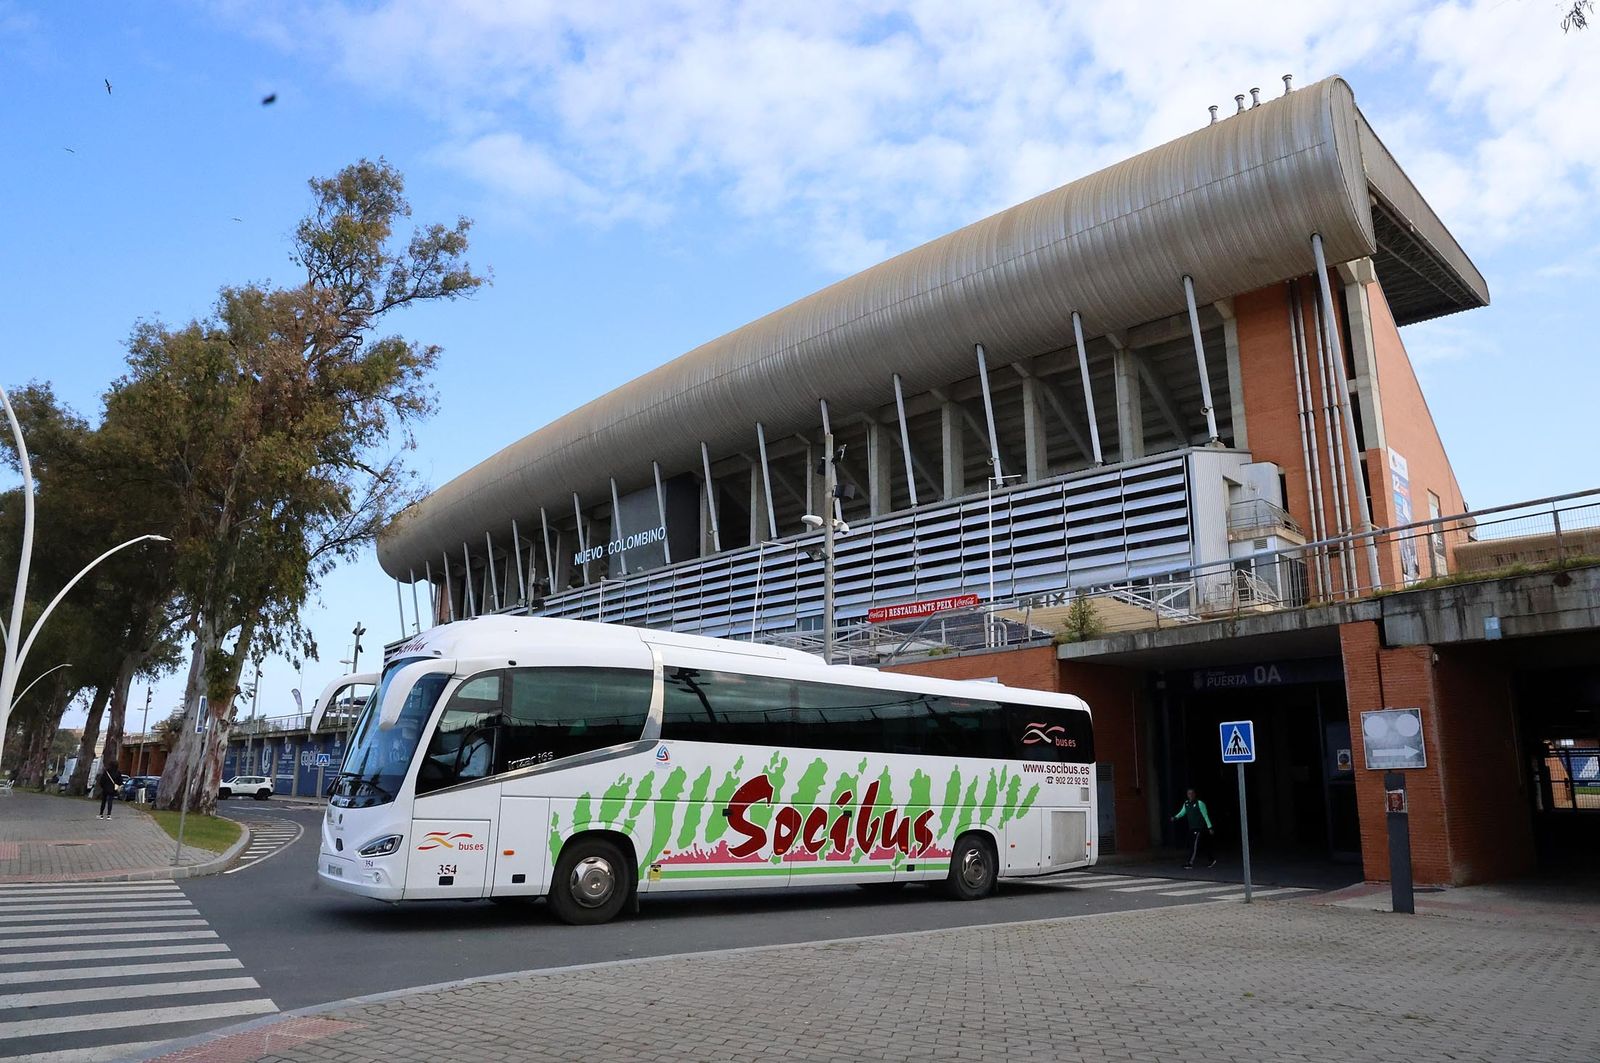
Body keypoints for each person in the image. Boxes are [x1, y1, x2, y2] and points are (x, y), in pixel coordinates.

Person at [1171, 787, 1215, 869]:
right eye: (1189, 793)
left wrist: (1210, 827)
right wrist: (1175, 817)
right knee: (1203, 845)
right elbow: (1182, 812)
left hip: (1199, 828)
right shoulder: (1186, 803)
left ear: (1195, 794)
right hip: (1192, 827)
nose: (1190, 795)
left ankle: (1189, 863)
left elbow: (1205, 816)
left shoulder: (1200, 803)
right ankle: (1211, 859)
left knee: (1193, 845)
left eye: (1192, 793)